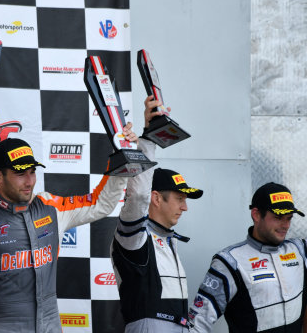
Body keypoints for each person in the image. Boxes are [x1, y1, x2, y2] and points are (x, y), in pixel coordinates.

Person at [0, 127, 135, 332]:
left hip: (50, 326)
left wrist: (121, 157)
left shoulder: (50, 207)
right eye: (20, 174)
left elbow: (100, 203)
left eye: (32, 172)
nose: (29, 182)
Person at [110, 96, 204, 332]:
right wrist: (149, 138)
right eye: (179, 199)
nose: (185, 207)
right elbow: (139, 194)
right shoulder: (136, 237)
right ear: (156, 198)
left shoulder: (166, 238)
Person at [188, 182, 306, 332]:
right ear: (256, 215)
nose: (285, 225)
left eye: (289, 218)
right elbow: (198, 322)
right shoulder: (229, 262)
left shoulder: (300, 250)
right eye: (278, 217)